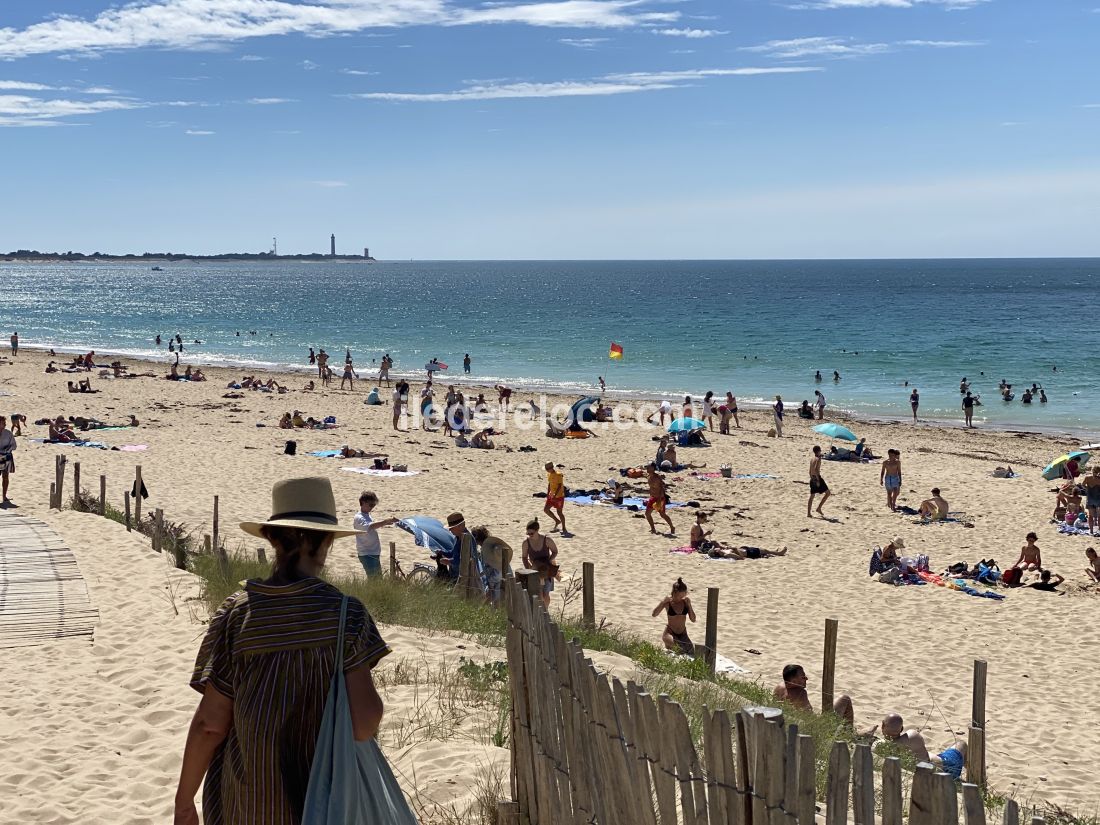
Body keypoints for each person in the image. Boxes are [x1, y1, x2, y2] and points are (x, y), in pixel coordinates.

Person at [174, 477, 388, 825]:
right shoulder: (347, 615)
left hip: (249, 802)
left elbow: (210, 724)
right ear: (327, 540)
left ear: (272, 538)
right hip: (327, 801)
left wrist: (184, 802)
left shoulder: (236, 614)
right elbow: (364, 724)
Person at [878, 714, 966, 778]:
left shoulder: (882, 746)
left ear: (882, 725)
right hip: (946, 767)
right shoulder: (911, 736)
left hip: (941, 766)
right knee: (961, 744)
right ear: (901, 729)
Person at [774, 664, 855, 726]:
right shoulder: (800, 693)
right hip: (815, 729)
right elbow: (809, 718)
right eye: (803, 677)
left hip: (786, 724)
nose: (806, 679)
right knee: (845, 699)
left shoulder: (779, 688)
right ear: (794, 681)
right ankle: (848, 734)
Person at [352, 491, 398, 578]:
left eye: (374, 505)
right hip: (367, 553)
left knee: (377, 579)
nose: (372, 507)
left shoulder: (367, 515)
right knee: (374, 579)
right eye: (371, 505)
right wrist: (385, 521)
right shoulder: (359, 517)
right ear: (363, 502)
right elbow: (370, 526)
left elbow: (372, 526)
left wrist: (385, 523)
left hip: (373, 552)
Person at [652, 578, 696, 655]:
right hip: (669, 633)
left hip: (683, 634)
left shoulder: (685, 603)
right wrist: (662, 602)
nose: (681, 598)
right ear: (674, 593)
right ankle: (668, 645)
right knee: (679, 649)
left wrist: (689, 605)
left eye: (684, 595)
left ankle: (671, 646)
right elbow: (654, 614)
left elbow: (693, 619)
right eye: (680, 596)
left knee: (691, 651)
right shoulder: (668, 603)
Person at [521, 518, 558, 608]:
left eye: (531, 533)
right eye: (528, 533)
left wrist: (549, 560)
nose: (530, 535)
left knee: (546, 594)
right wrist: (529, 569)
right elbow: (524, 557)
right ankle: (541, 612)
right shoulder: (526, 543)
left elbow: (555, 551)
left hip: (547, 570)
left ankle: (546, 611)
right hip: (535, 571)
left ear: (537, 530)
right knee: (539, 593)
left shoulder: (546, 539)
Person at [472, 526, 512, 607]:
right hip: (495, 584)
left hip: (501, 585)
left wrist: (490, 587)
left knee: (499, 607)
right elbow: (486, 568)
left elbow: (498, 574)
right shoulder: (485, 549)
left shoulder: (494, 551)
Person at [645, 463, 676, 535]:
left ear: (653, 468)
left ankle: (672, 527)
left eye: (648, 467)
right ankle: (653, 528)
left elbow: (662, 489)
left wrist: (659, 500)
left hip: (659, 498)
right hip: (652, 498)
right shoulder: (649, 476)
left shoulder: (657, 477)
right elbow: (651, 487)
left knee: (662, 515)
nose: (647, 469)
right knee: (647, 514)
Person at [543, 462, 570, 536]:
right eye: (546, 469)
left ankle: (564, 527)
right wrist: (548, 492)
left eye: (548, 469)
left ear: (552, 468)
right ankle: (557, 521)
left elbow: (560, 486)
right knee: (546, 510)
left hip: (559, 496)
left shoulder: (558, 475)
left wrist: (555, 495)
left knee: (559, 512)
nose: (547, 470)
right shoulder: (549, 474)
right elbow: (549, 483)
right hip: (551, 495)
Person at [808, 445, 830, 518]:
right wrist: (818, 480)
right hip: (817, 478)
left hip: (812, 478)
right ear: (819, 451)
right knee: (828, 493)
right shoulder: (818, 459)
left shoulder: (812, 459)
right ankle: (819, 508)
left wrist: (812, 478)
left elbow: (810, 471)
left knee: (812, 496)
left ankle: (808, 513)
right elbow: (816, 470)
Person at [0, 416, 15, 504]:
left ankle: (4, 496)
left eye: (5, 423)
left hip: (6, 457)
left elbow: (14, 445)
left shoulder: (8, 433)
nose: (5, 425)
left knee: (5, 477)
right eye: (3, 423)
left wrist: (7, 450)